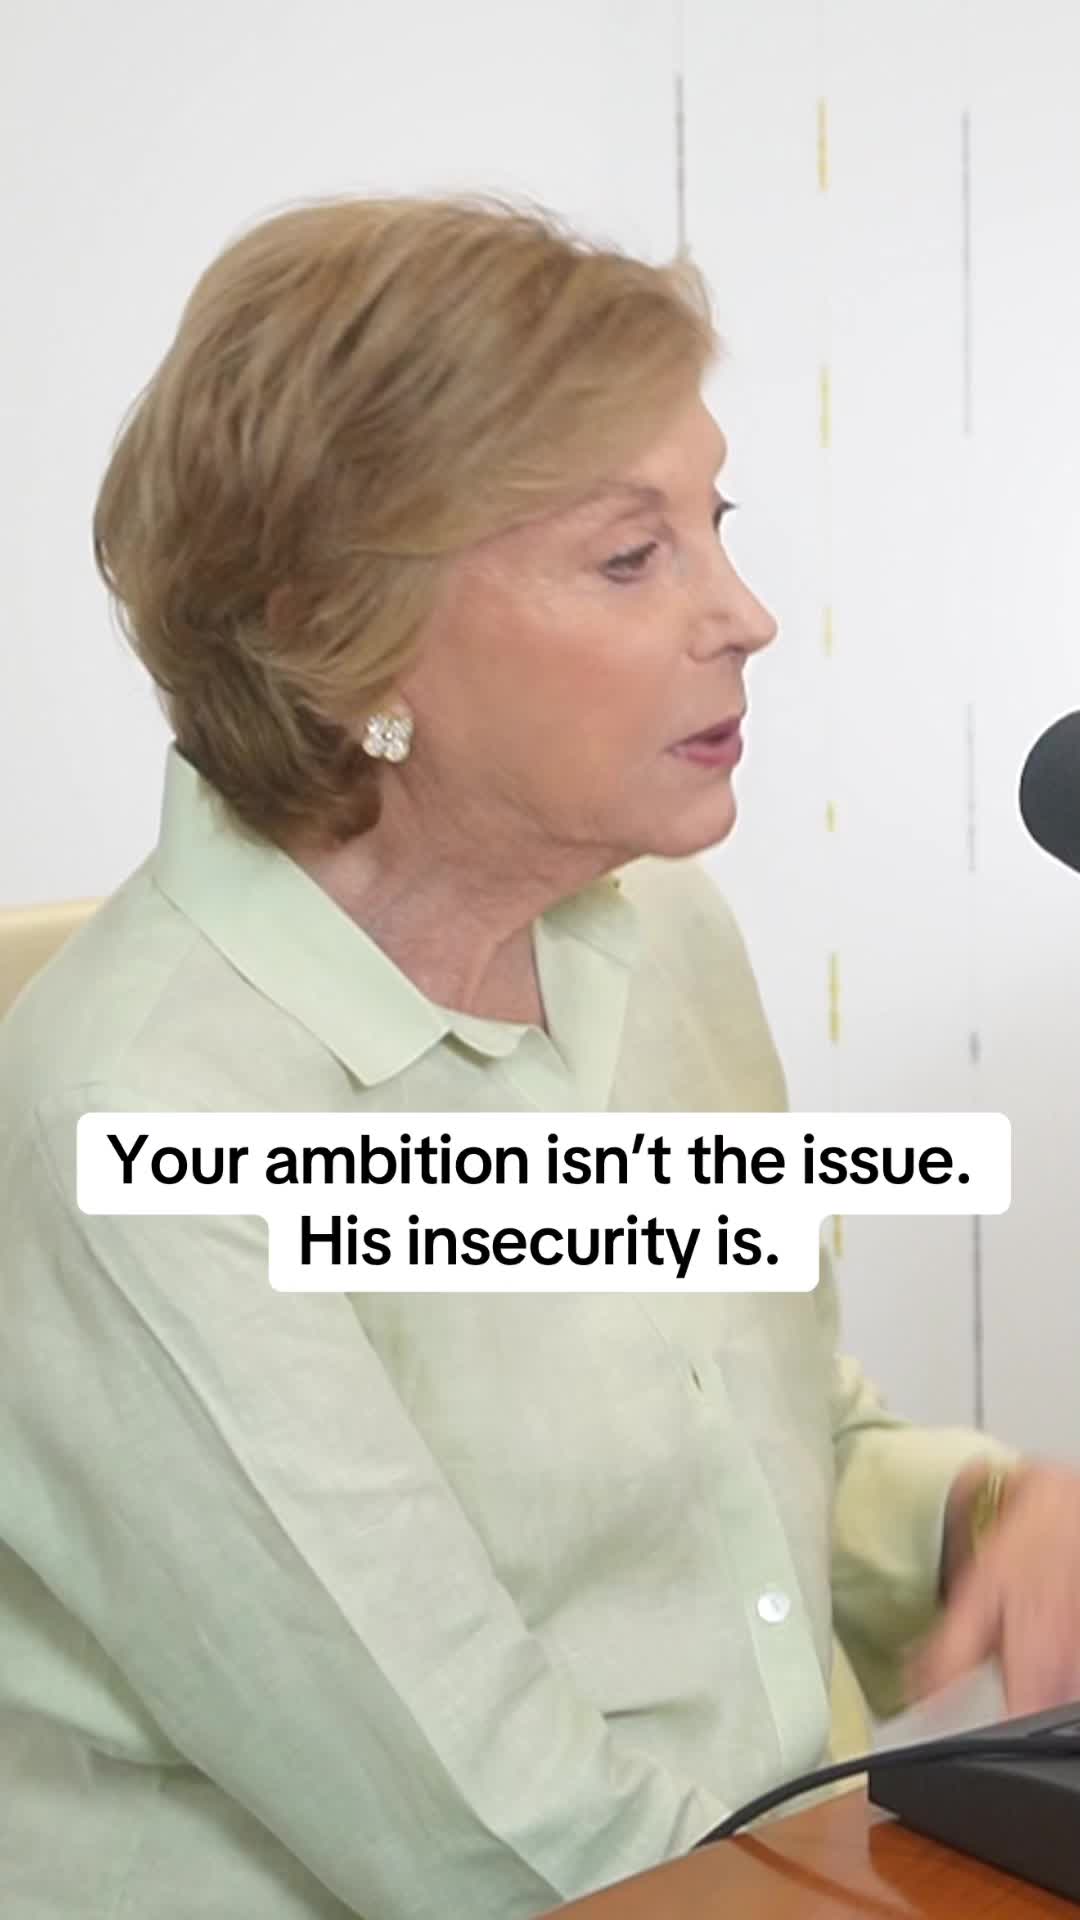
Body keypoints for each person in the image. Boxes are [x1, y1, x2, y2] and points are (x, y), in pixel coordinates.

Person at [1, 193, 1078, 1920]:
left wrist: (982, 1515)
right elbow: (486, 1835)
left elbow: (755, 1451)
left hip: (758, 1866)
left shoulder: (659, 934)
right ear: (344, 630)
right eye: (632, 557)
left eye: (717, 525)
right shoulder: (135, 1116)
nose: (747, 616)